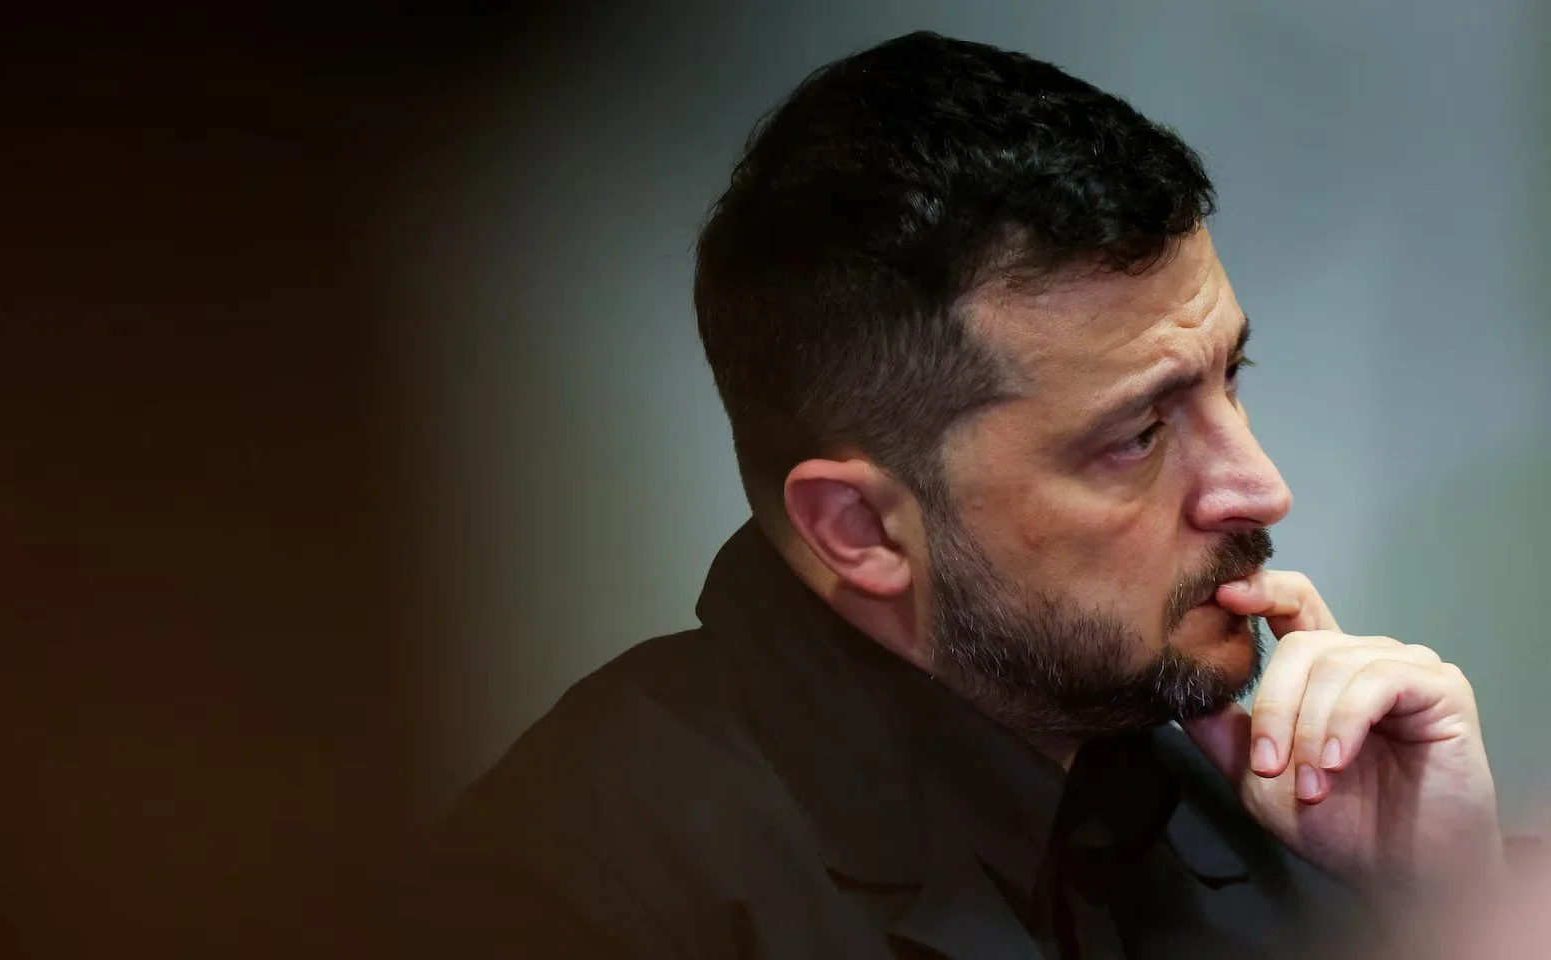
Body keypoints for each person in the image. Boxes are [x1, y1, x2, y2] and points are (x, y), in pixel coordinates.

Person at [404, 30, 1507, 959]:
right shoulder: (578, 898)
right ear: (861, 530)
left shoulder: (1259, 794)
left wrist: (1441, 898)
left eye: (1232, 378)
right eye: (1138, 435)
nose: (1260, 489)